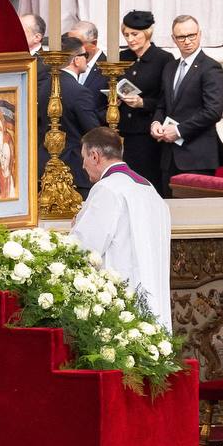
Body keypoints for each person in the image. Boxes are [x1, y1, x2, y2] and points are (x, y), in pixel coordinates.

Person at [72, 127, 172, 329]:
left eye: (84, 158)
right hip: (153, 292)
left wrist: (76, 227)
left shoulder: (107, 189)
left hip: (120, 298)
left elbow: (84, 249)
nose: (82, 165)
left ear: (95, 156)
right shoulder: (149, 189)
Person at [151, 16, 223, 197]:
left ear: (199, 34)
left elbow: (213, 111)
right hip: (169, 155)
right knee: (168, 207)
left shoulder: (211, 67)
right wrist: (156, 123)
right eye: (181, 37)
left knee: (195, 210)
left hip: (197, 156)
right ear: (173, 39)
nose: (187, 41)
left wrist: (178, 130)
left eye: (191, 35)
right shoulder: (170, 67)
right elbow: (162, 104)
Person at [117, 10, 174, 189]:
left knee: (146, 182)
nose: (130, 39)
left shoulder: (163, 59)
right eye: (126, 35)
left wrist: (143, 103)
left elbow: (167, 99)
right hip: (123, 130)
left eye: (135, 34)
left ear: (147, 33)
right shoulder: (122, 57)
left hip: (148, 133)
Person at [38, 39, 97, 197]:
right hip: (73, 168)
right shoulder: (79, 91)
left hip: (44, 165)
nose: (87, 60)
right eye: (85, 55)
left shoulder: (44, 86)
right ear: (76, 60)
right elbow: (93, 131)